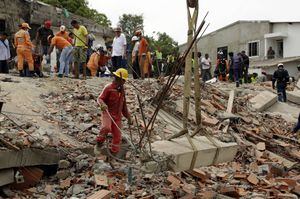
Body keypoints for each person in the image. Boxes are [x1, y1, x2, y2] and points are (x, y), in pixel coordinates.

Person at [94, 68, 132, 156]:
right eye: (116, 78)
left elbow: (124, 106)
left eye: (120, 80)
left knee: (117, 136)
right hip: (108, 113)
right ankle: (99, 144)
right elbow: (100, 98)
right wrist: (102, 104)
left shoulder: (122, 91)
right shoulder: (108, 88)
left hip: (117, 116)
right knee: (106, 128)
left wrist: (128, 117)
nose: (116, 80)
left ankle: (114, 154)